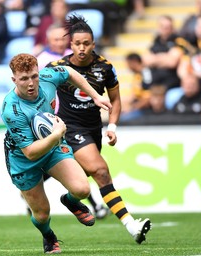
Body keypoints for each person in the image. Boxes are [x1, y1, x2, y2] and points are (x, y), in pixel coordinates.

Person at [47, 14, 152, 244]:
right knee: (101, 171)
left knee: (81, 183)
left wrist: (112, 126)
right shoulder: (57, 68)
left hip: (93, 129)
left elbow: (115, 100)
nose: (82, 48)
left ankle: (70, 200)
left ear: (93, 44)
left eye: (86, 43)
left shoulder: (105, 67)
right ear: (70, 44)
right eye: (77, 44)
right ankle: (131, 225)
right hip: (69, 128)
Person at [1, 53, 112, 254]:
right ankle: (48, 236)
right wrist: (57, 134)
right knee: (42, 214)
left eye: (34, 76)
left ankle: (70, 201)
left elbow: (69, 72)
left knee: (82, 190)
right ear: (14, 80)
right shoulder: (12, 110)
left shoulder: (48, 77)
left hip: (52, 147)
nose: (31, 83)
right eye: (24, 79)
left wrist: (95, 95)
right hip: (23, 159)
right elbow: (30, 153)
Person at [142, 15, 182, 90]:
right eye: (162, 26)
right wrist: (165, 57)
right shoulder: (155, 42)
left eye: (168, 27)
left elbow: (172, 62)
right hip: (153, 82)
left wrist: (155, 59)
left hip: (171, 83)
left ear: (172, 28)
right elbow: (146, 60)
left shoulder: (178, 41)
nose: (165, 29)